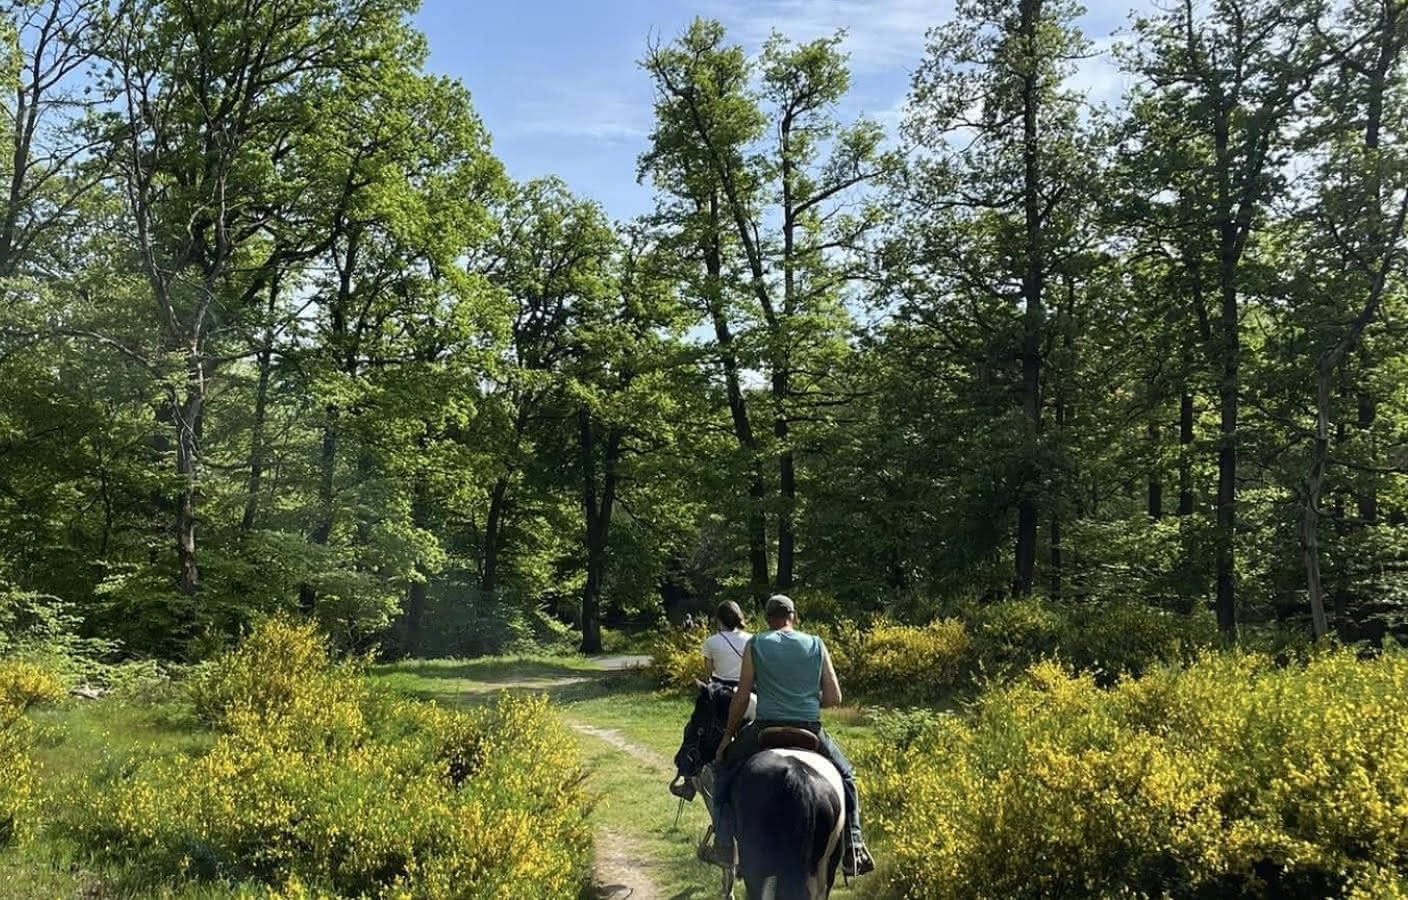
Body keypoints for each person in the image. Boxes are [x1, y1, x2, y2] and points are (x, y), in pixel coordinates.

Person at [706, 594, 875, 877]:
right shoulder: (816, 644)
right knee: (846, 776)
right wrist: (806, 699)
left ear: (768, 619)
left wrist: (727, 737)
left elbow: (742, 696)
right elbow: (834, 697)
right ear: (793, 616)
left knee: (723, 771)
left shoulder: (756, 643)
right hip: (809, 728)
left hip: (765, 727)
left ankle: (723, 845)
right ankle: (853, 846)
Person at [668, 601, 752, 799]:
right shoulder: (752, 640)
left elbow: (708, 676)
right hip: (748, 694)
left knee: (693, 730)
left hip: (721, 694)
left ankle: (687, 781)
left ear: (719, 620)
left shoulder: (712, 642)